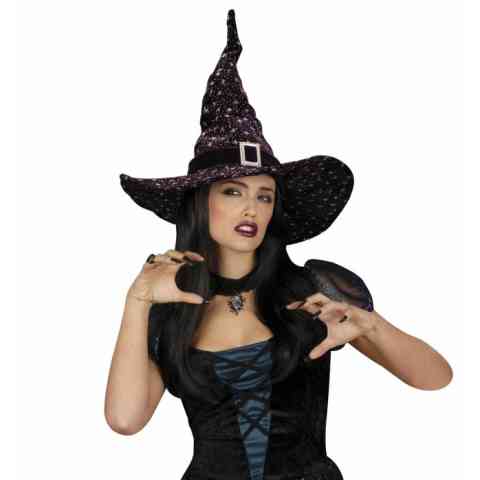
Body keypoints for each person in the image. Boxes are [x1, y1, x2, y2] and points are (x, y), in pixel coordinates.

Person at [105, 9, 453, 480]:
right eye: (233, 192)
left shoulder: (314, 290)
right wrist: (137, 302)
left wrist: (370, 326)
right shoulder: (170, 311)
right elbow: (125, 420)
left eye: (264, 195)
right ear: (201, 203)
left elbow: (435, 378)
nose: (251, 208)